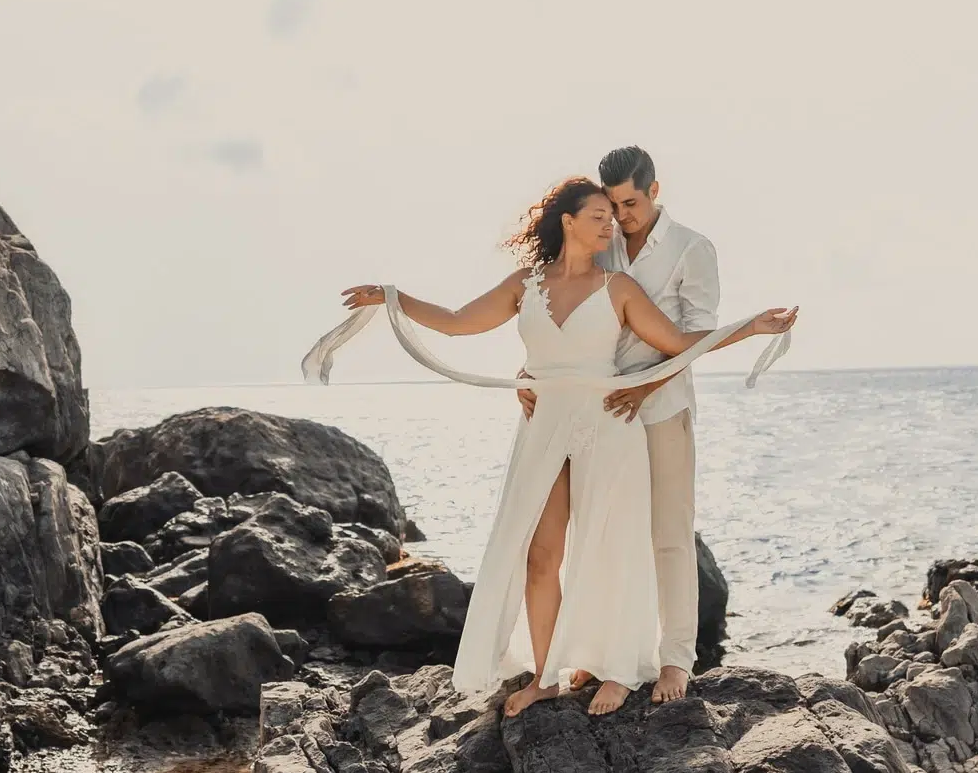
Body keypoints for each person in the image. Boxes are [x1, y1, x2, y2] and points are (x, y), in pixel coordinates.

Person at [338, 178, 795, 719]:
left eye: (613, 214)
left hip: (607, 426)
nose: (610, 224)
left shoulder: (619, 287)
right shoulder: (525, 285)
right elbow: (460, 323)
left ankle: (621, 668)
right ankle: (545, 675)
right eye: (599, 215)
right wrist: (393, 297)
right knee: (539, 555)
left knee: (610, 549)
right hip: (543, 428)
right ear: (568, 221)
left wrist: (749, 328)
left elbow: (676, 344)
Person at [521, 146, 718, 703]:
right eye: (612, 204)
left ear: (655, 191)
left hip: (660, 407)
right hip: (598, 413)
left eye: (630, 203)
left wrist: (646, 388)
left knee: (669, 536)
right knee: (600, 533)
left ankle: (676, 660)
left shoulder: (691, 250)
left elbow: (697, 338)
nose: (621, 215)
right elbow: (571, 309)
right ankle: (600, 652)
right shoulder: (603, 243)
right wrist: (533, 370)